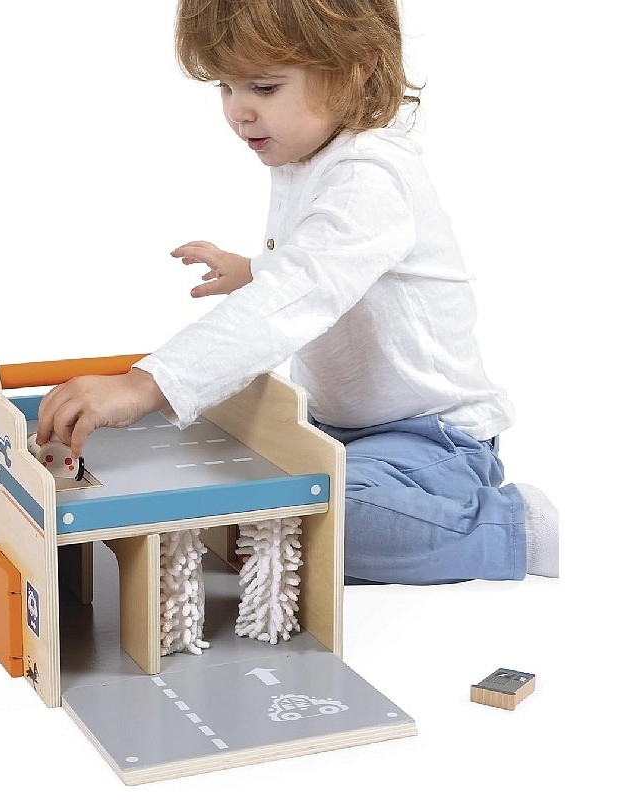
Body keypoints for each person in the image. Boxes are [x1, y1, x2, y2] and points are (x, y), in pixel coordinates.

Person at [37, 0, 558, 583]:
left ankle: (519, 528)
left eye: (264, 87)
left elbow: (298, 294)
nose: (238, 111)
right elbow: (314, 263)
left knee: (324, 519)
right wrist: (254, 269)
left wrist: (145, 384)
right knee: (262, 502)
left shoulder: (369, 176)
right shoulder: (307, 153)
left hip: (432, 437)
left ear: (355, 68)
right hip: (335, 426)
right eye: (225, 87)